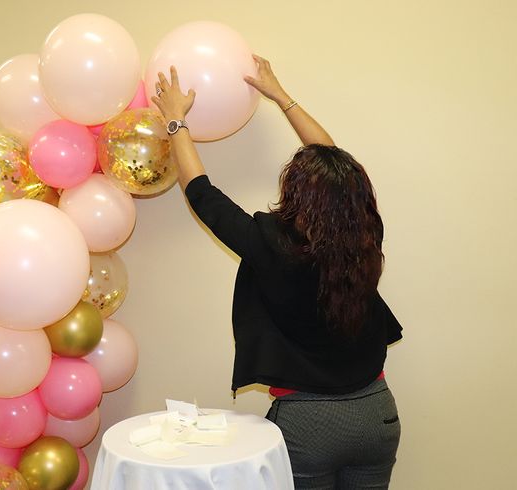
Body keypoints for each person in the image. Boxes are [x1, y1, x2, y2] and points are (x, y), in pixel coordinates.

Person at [151, 56, 403, 489]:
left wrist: (176, 123)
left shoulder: (270, 244)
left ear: (296, 196)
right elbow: (334, 162)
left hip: (308, 425)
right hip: (376, 415)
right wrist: (281, 96)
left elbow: (203, 194)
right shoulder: (365, 232)